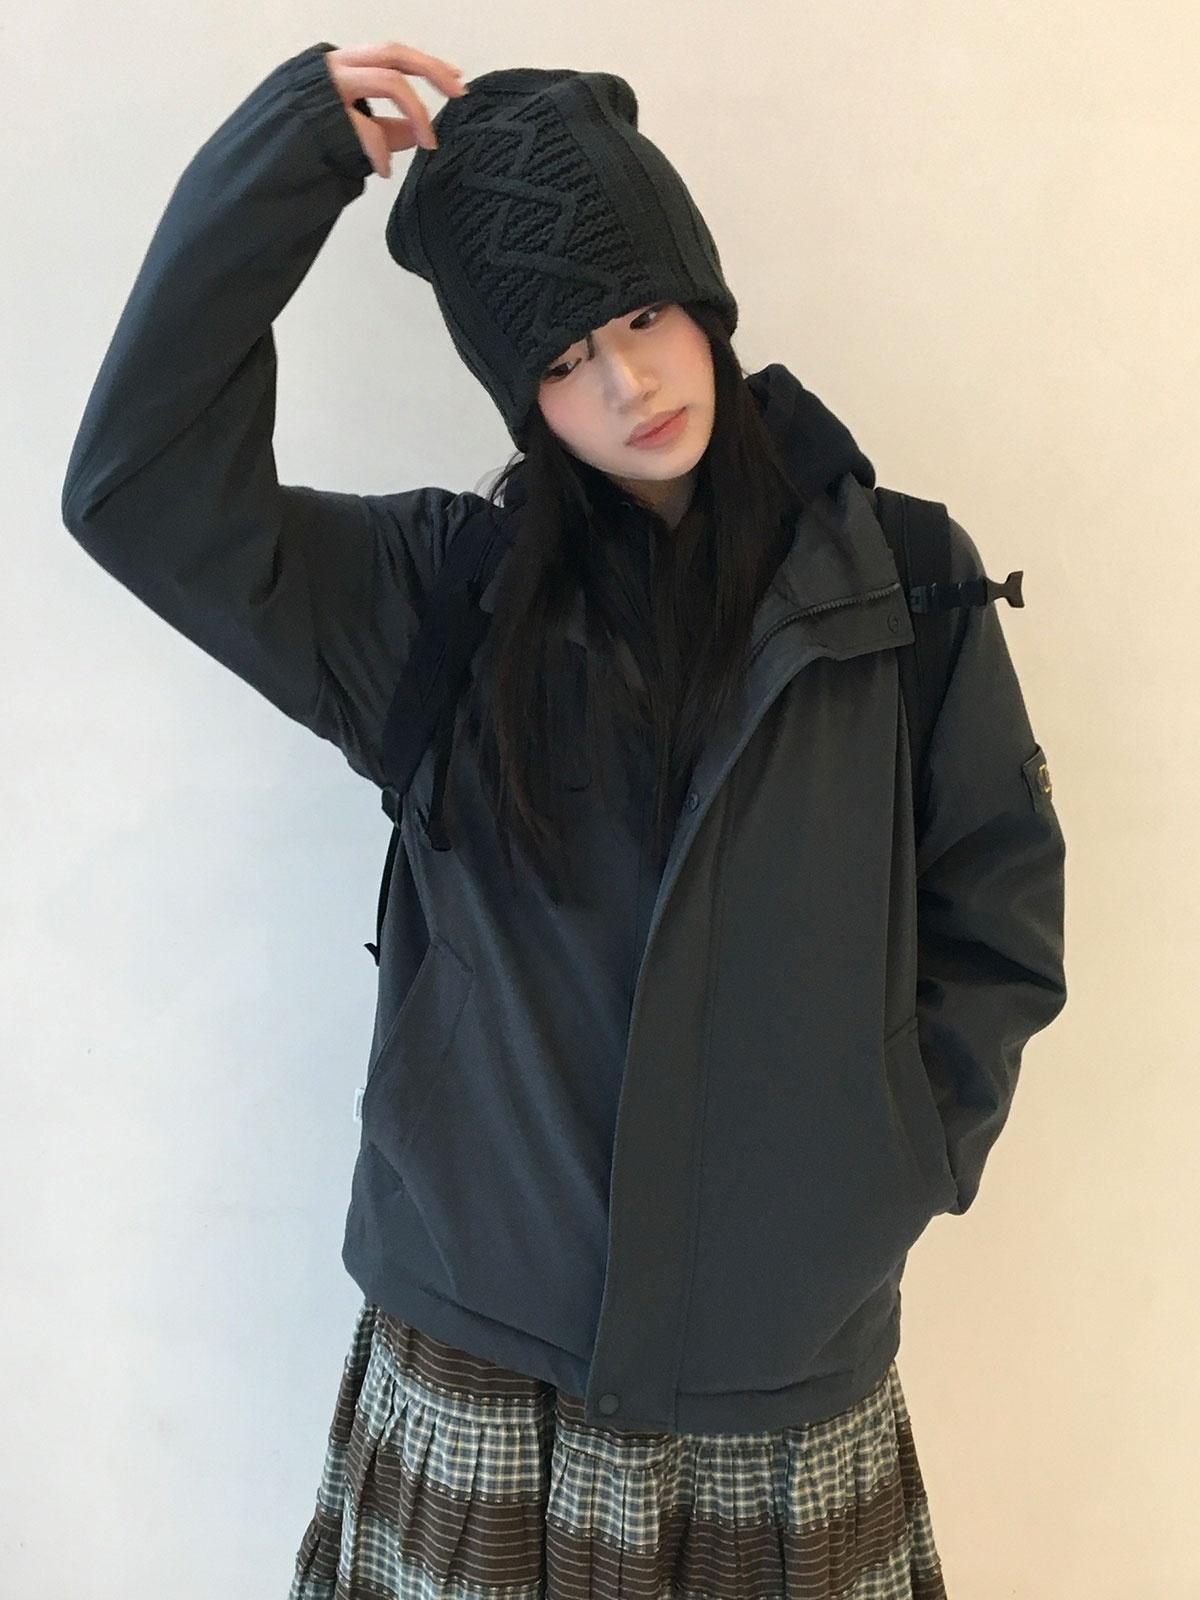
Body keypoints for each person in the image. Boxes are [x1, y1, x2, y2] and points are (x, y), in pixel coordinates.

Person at [60, 35, 1068, 1600]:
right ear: (521, 394)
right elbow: (138, 491)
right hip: (480, 1362)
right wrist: (290, 158)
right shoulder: (433, 603)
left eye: (645, 316)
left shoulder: (907, 585)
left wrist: (891, 1161)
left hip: (778, 1383)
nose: (627, 384)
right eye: (564, 355)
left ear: (706, 303)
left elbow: (996, 907)